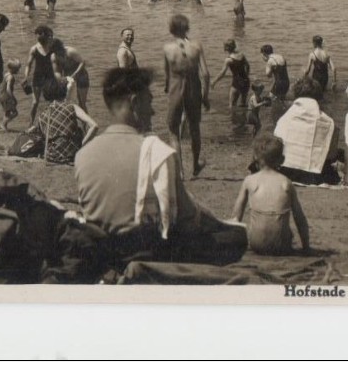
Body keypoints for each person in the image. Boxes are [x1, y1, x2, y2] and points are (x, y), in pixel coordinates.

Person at [74, 68, 247, 264]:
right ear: (134, 103)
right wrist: (223, 224)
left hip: (102, 254)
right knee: (236, 237)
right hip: (145, 253)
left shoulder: (82, 155)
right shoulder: (157, 150)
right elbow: (188, 216)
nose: (153, 111)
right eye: (150, 101)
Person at [231, 136, 310, 256]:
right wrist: (306, 247)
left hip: (256, 243)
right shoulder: (286, 183)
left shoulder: (249, 181)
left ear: (255, 158)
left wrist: (232, 242)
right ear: (282, 160)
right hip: (282, 245)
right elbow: (299, 218)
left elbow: (236, 216)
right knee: (289, 232)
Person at [163, 14, 211, 177]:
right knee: (194, 128)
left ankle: (180, 171)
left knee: (173, 130)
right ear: (187, 27)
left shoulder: (167, 48)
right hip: (194, 88)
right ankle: (195, 165)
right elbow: (205, 74)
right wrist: (205, 96)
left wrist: (167, 90)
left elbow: (167, 75)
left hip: (176, 87)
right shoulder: (196, 46)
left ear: (171, 29)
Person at [273, 77, 340, 185]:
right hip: (314, 176)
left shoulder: (284, 119)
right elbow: (331, 155)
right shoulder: (328, 122)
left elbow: (277, 148)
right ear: (318, 97)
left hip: (286, 172)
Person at [23, 78, 97, 164]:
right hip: (71, 155)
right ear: (63, 91)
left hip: (51, 156)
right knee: (79, 130)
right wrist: (81, 147)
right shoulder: (71, 107)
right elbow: (94, 126)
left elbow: (40, 135)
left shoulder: (43, 113)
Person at [24, 25, 62, 123]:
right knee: (35, 102)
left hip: (49, 77)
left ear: (45, 35)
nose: (38, 37)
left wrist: (59, 80)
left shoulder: (52, 48)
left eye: (40, 35)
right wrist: (26, 77)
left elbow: (56, 67)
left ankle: (50, 123)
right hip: (38, 77)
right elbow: (28, 65)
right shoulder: (34, 49)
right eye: (37, 35)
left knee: (51, 102)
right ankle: (31, 124)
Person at [211, 38, 252, 110]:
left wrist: (214, 81)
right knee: (243, 104)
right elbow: (248, 66)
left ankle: (234, 119)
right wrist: (247, 75)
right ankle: (243, 119)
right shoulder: (241, 55)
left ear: (226, 48)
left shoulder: (228, 60)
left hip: (237, 82)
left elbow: (222, 73)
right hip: (246, 81)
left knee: (232, 105)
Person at [0, 59, 21, 131]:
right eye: (17, 69)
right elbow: (8, 89)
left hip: (1, 95)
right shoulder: (11, 77)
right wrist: (13, 98)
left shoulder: (6, 74)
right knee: (15, 113)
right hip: (6, 96)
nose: (18, 71)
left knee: (7, 111)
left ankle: (4, 126)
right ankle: (3, 124)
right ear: (13, 69)